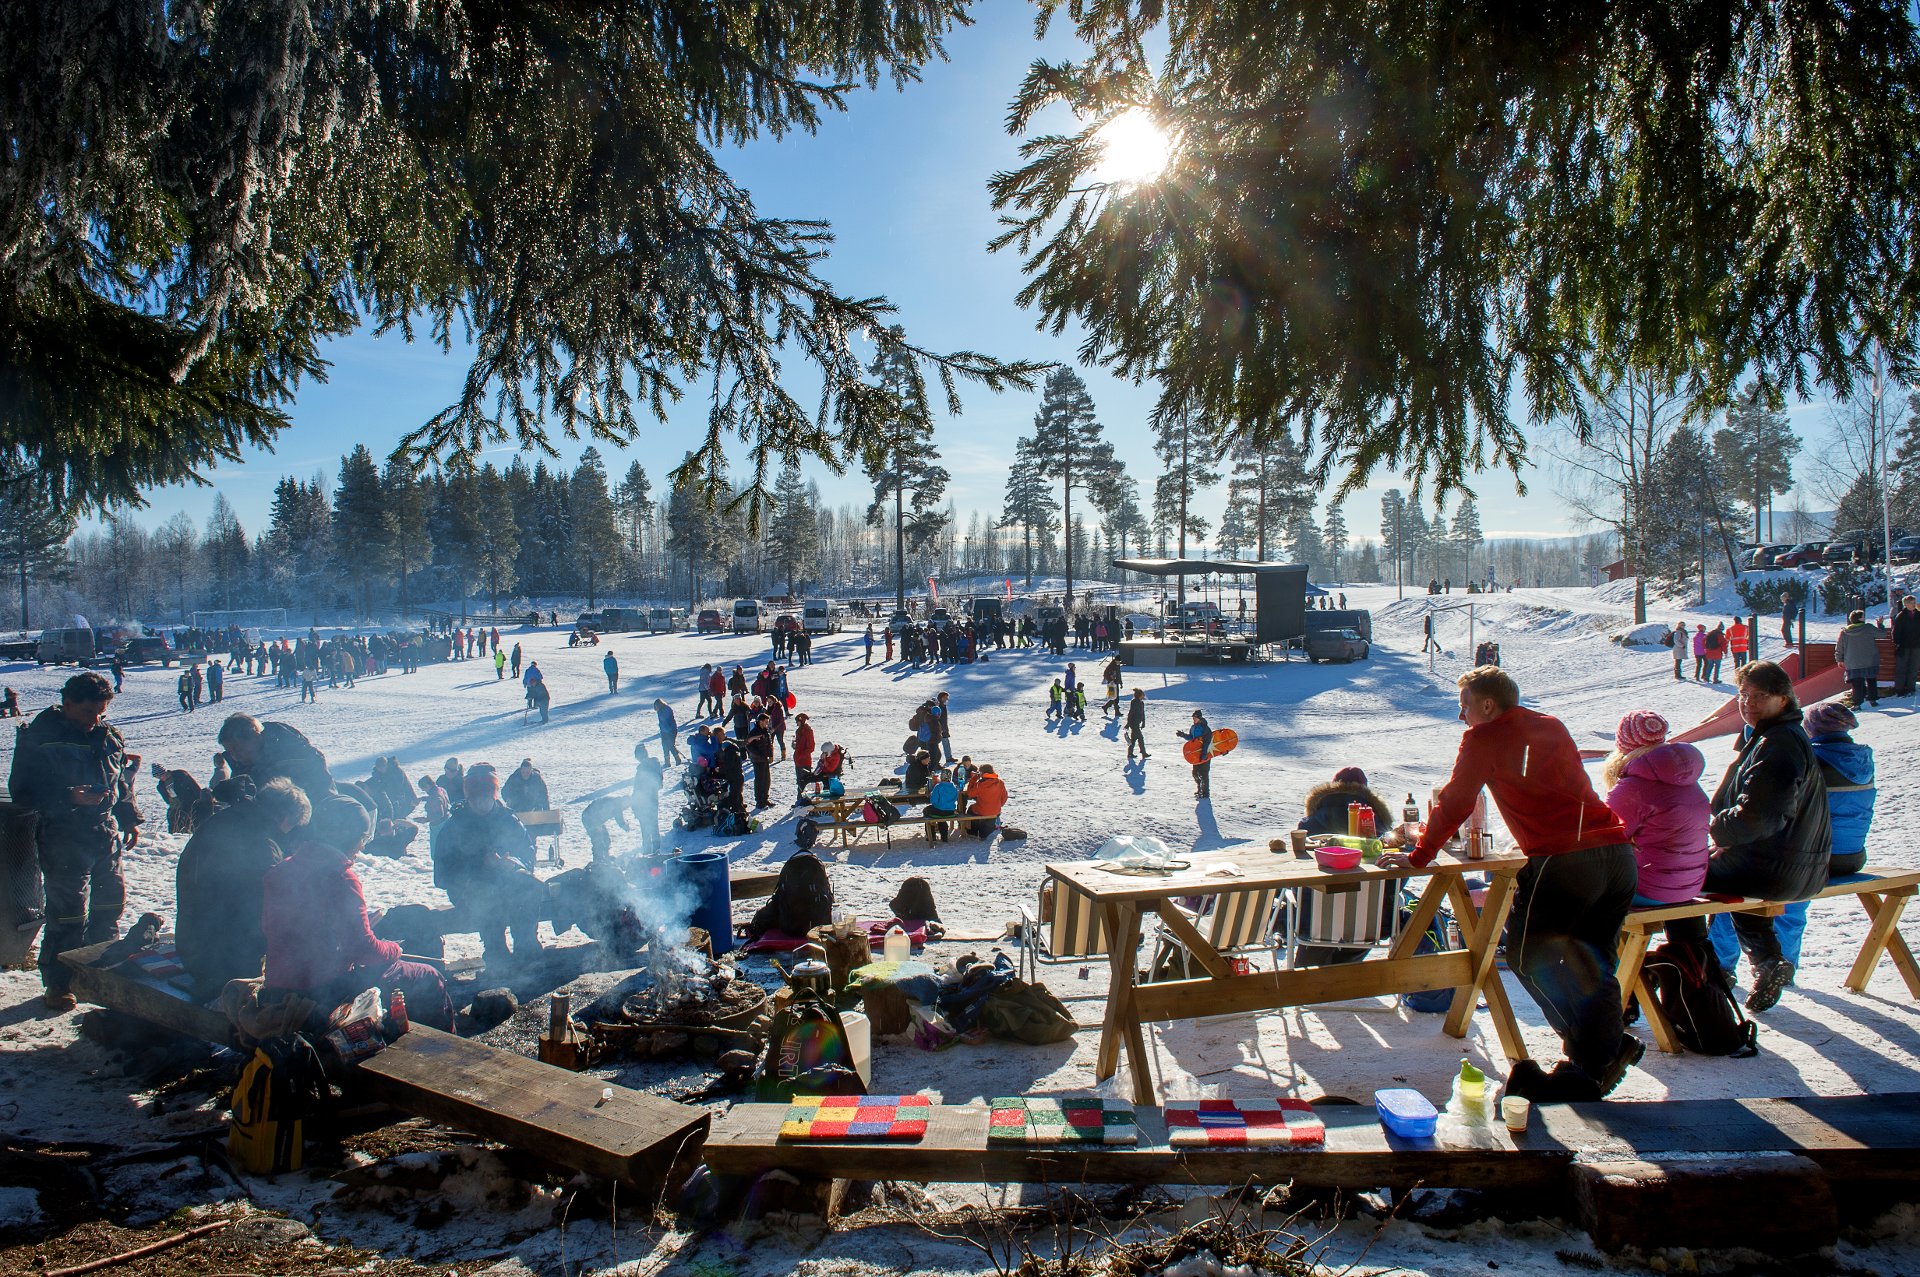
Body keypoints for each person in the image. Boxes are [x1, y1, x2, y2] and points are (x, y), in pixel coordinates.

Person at [1380, 666, 1639, 1102]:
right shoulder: (1551, 724)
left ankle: (1596, 1054)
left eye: (1464, 707)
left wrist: (1419, 855)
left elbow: (1457, 800)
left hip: (1565, 860)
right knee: (1595, 963)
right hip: (1615, 853)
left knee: (1525, 956)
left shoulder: (1484, 737)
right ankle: (1604, 1052)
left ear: (1487, 704)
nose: (1462, 717)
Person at [1663, 660, 1831, 1014]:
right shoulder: (1776, 737)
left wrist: (1716, 829)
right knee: (1727, 873)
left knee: (1677, 881)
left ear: (1784, 699)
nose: (1748, 703)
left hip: (1776, 867)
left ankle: (1697, 970)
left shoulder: (1778, 745)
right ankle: (1767, 960)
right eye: (1743, 695)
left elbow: (1758, 818)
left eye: (1760, 696)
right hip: (1794, 864)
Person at [1709, 699, 1872, 987]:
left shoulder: (1808, 760)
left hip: (1817, 856)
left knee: (1737, 891)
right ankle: (1787, 964)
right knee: (1792, 904)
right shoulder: (1860, 761)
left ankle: (1720, 966)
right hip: (1851, 856)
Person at [261, 795, 453, 1029]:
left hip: (279, 985)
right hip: (324, 991)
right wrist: (395, 949)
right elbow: (362, 950)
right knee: (429, 977)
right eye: (362, 838)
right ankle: (443, 1053)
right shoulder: (341, 877)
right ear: (348, 837)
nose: (362, 846)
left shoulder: (282, 869)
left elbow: (301, 929)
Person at [9, 673, 141, 1011]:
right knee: (68, 915)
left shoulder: (109, 735)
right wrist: (68, 795)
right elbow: (22, 791)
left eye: (101, 712)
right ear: (67, 704)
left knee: (109, 908)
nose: (94, 720)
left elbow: (120, 782)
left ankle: (100, 977)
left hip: (104, 834)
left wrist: (128, 816)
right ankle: (59, 983)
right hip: (62, 836)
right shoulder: (40, 736)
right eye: (87, 712)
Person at [175, 778, 310, 998]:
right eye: (292, 826)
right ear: (286, 818)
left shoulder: (225, 819)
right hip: (221, 963)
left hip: (191, 944)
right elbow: (272, 905)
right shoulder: (261, 844)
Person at [1601, 711, 1710, 931]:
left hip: (1648, 890)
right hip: (1689, 886)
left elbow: (1603, 839)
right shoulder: (1687, 780)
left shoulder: (1634, 787)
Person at [434, 766, 546, 970]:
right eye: (476, 799)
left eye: (485, 798)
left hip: (506, 881)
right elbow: (442, 875)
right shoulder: (455, 827)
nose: (481, 803)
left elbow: (527, 855)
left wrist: (511, 861)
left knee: (531, 887)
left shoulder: (508, 820)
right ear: (468, 798)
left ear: (493, 796)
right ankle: (496, 954)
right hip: (469, 889)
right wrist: (478, 865)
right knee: (488, 897)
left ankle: (526, 948)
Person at [217, 713, 335, 805]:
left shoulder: (293, 757)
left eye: (239, 749)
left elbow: (320, 790)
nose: (236, 756)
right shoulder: (242, 766)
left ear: (256, 737)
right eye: (230, 752)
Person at [1835, 609, 1882, 708]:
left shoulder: (1844, 632)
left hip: (1853, 662)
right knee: (1871, 680)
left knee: (1856, 684)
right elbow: (1882, 634)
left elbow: (1839, 647)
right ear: (1860, 618)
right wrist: (1880, 625)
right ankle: (1873, 700)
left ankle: (1857, 703)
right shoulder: (1868, 628)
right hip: (1869, 660)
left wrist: (1839, 659)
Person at [630, 746, 664, 857]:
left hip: (649, 801)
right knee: (648, 828)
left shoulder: (648, 766)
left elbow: (656, 784)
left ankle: (654, 852)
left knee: (651, 827)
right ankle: (649, 852)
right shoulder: (646, 767)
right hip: (645, 802)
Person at [1176, 710, 1214, 800]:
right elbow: (1191, 738)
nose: (1193, 719)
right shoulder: (1193, 727)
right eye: (1193, 718)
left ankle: (1205, 793)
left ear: (1199, 718)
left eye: (1195, 718)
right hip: (1196, 754)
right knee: (1195, 773)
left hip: (1205, 754)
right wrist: (1182, 735)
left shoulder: (1205, 728)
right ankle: (1199, 790)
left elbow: (1207, 741)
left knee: (1203, 774)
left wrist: (1204, 754)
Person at [962, 764, 1007, 838]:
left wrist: (973, 779)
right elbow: (1004, 797)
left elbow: (970, 794)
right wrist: (997, 805)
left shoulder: (981, 784)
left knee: (971, 809)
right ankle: (986, 829)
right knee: (983, 810)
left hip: (982, 810)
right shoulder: (1000, 782)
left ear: (982, 773)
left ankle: (972, 831)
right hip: (996, 811)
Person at [745, 712, 775, 810]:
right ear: (761, 721)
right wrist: (760, 754)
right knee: (759, 780)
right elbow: (749, 746)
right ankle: (759, 801)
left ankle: (765, 798)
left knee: (767, 780)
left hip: (765, 759)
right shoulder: (753, 732)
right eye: (766, 721)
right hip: (757, 760)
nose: (767, 723)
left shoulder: (765, 731)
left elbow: (769, 743)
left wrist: (770, 754)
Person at [1895, 594, 1920, 697]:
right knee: (1902, 668)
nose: (1914, 604)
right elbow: (1896, 631)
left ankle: (1911, 688)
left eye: (1914, 602)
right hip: (1904, 645)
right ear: (1906, 604)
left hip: (1917, 645)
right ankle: (1900, 689)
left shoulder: (1918, 615)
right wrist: (1898, 643)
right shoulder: (1901, 616)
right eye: (1911, 603)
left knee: (1913, 667)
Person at [791, 712, 816, 802]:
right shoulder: (798, 731)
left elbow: (811, 747)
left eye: (797, 721)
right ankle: (800, 800)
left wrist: (801, 755)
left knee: (804, 782)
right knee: (799, 782)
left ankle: (804, 800)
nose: (796, 724)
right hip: (798, 760)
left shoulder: (808, 731)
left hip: (804, 761)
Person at [1124, 688, 1150, 760]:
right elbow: (1131, 713)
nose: (1143, 695)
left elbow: (1142, 713)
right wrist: (1128, 723)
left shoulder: (1141, 703)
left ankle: (1130, 753)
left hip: (1137, 723)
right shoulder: (1134, 702)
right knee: (1140, 738)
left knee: (1134, 738)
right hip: (1133, 723)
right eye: (1142, 694)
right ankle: (1143, 753)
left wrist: (1143, 722)